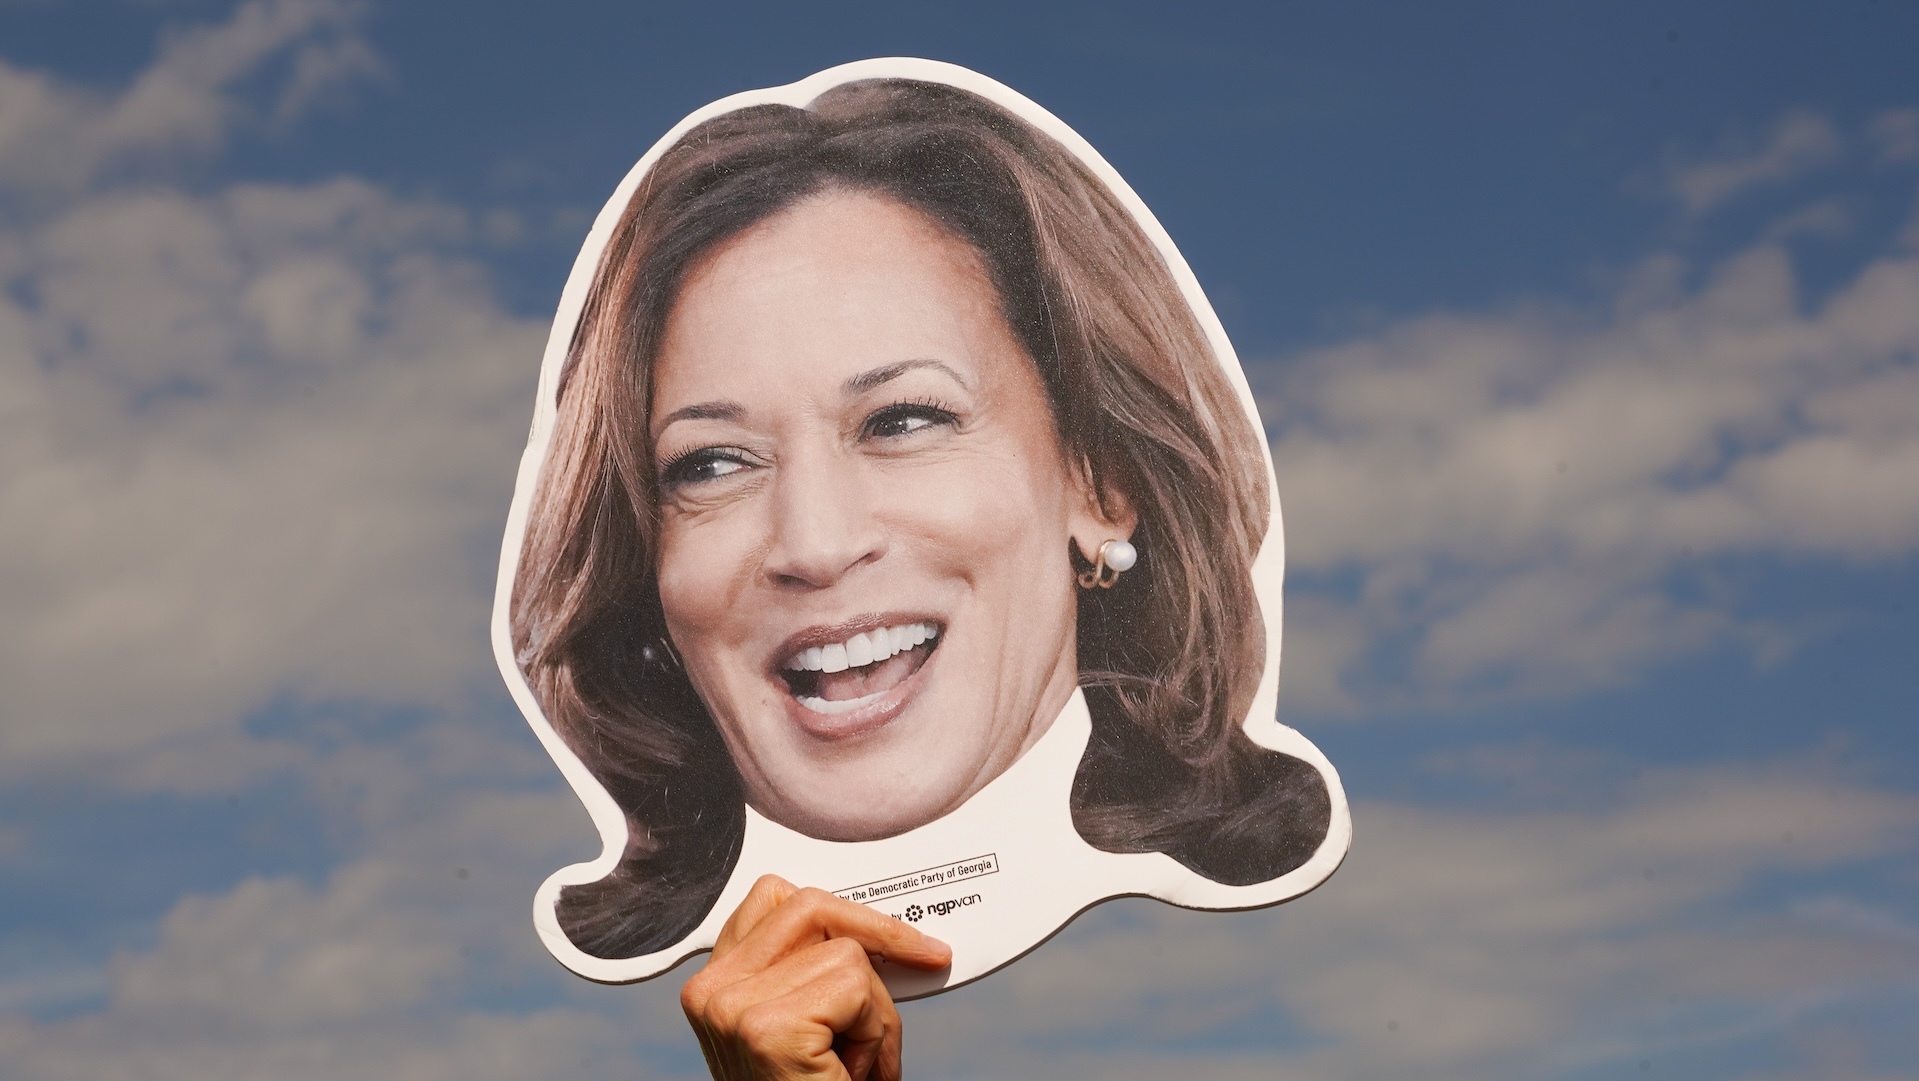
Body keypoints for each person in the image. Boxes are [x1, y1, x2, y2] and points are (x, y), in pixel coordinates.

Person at [509, 76, 1333, 964]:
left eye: (903, 420)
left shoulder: (1309, 947)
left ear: (1099, 481)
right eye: (711, 463)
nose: (815, 544)